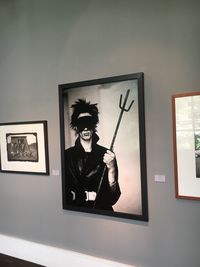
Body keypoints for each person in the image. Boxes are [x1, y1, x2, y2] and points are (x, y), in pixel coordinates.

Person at [64, 99, 121, 211]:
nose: (85, 128)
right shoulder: (67, 156)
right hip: (75, 212)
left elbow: (113, 198)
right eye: (81, 123)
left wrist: (112, 169)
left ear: (94, 125)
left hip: (102, 211)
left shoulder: (107, 155)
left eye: (88, 123)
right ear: (75, 127)